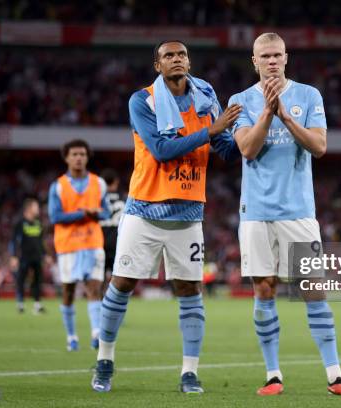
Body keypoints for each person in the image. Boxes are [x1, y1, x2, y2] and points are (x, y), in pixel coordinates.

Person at [91, 40, 241, 394]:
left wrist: (253, 131)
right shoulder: (142, 100)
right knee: (122, 284)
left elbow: (226, 149)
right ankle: (104, 360)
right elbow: (159, 150)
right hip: (144, 210)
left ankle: (190, 372)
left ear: (189, 61)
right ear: (157, 65)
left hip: (188, 214)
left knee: (190, 290)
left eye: (182, 54)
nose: (177, 59)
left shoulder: (205, 94)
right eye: (169, 55)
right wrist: (212, 129)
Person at [228, 32, 341, 397]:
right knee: (264, 287)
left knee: (313, 289)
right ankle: (273, 375)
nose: (271, 61)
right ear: (253, 61)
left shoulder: (308, 96)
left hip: (298, 211)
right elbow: (247, 149)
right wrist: (268, 113)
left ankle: (335, 376)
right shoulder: (240, 101)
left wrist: (285, 117)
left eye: (276, 55)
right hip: (256, 211)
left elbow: (320, 147)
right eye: (264, 56)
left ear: (286, 58)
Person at [48, 139, 110, 352]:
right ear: (66, 158)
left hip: (93, 242)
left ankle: (96, 334)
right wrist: (83, 214)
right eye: (74, 154)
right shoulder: (58, 186)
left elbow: (107, 212)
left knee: (94, 287)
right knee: (68, 290)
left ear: (87, 157)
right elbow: (54, 216)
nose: (78, 158)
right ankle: (71, 336)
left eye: (82, 154)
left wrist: (97, 214)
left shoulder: (98, 183)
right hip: (68, 244)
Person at [11, 198, 46, 314]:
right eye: (36, 207)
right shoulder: (20, 223)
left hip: (37, 257)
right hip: (24, 257)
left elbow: (41, 241)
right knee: (21, 280)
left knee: (37, 281)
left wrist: (45, 255)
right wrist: (14, 256)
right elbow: (14, 241)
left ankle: (37, 304)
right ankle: (20, 304)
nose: (38, 209)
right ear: (29, 208)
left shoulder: (38, 223)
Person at [99, 169, 125, 284]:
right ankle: (115, 301)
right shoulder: (124, 199)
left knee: (99, 279)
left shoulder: (97, 200)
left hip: (100, 243)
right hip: (118, 244)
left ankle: (99, 301)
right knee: (118, 278)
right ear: (116, 182)